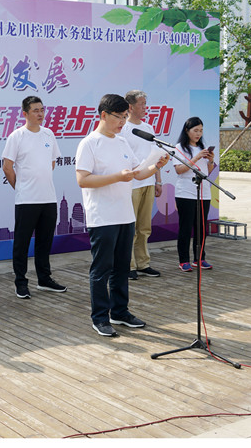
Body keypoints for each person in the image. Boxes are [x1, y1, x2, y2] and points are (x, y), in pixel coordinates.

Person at [76, 94, 168, 337]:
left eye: (125, 117)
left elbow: (138, 173)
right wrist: (117, 177)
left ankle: (120, 312)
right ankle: (99, 317)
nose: (122, 122)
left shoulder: (122, 142)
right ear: (103, 115)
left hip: (125, 215)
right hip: (102, 217)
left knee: (121, 268)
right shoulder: (89, 143)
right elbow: (83, 179)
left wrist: (156, 166)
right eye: (119, 117)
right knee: (102, 269)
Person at [2, 95, 67, 299]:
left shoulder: (48, 134)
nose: (40, 114)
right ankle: (21, 282)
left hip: (48, 198)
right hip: (26, 200)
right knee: (21, 244)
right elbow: (7, 167)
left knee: (44, 241)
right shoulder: (17, 136)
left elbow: (52, 162)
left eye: (42, 110)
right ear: (25, 114)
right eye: (35, 110)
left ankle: (44, 279)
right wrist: (20, 187)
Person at [121, 90, 163, 280]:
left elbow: (156, 156)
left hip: (149, 182)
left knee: (144, 227)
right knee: (131, 227)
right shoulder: (123, 129)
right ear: (130, 107)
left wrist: (158, 180)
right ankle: (128, 265)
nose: (146, 107)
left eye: (146, 103)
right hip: (131, 185)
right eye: (142, 104)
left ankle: (143, 263)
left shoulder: (148, 128)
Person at [173, 116, 215, 272]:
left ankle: (200, 258)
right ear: (187, 130)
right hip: (185, 193)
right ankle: (183, 260)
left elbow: (207, 172)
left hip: (204, 192)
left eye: (201, 131)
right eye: (195, 130)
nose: (198, 134)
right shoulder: (179, 148)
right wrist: (196, 157)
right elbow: (179, 170)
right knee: (185, 228)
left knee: (201, 228)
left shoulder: (202, 147)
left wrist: (210, 161)